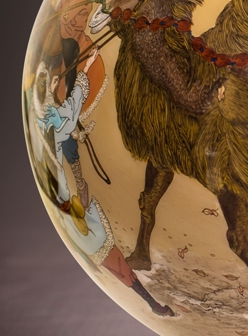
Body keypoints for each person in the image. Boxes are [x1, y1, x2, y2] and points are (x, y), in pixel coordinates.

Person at [32, 50, 174, 316]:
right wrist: (86, 70)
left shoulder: (43, 115)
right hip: (68, 205)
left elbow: (63, 117)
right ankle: (152, 304)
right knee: (107, 252)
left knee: (110, 255)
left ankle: (152, 304)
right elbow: (70, 111)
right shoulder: (51, 118)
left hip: (66, 200)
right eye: (50, 82)